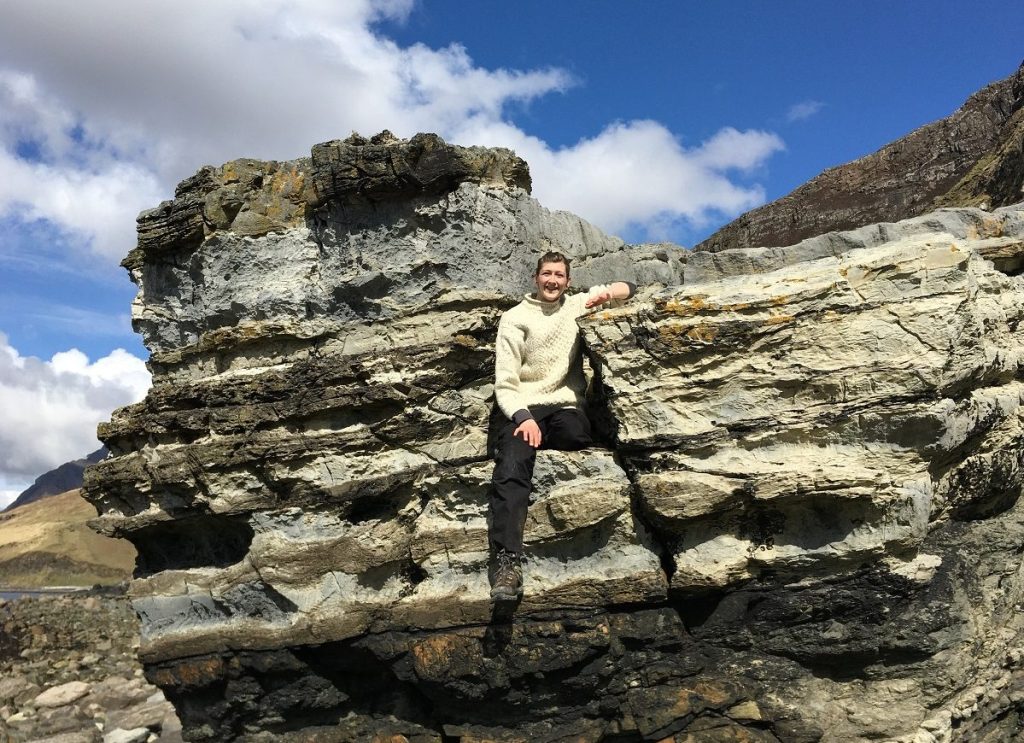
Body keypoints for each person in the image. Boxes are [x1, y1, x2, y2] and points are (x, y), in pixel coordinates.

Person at [489, 251, 636, 601]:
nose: (552, 281)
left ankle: (537, 440)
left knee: (575, 435)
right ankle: (506, 565)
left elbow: (629, 287)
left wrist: (611, 293)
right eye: (546, 274)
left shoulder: (575, 306)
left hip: (564, 406)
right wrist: (523, 418)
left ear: (568, 281)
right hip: (522, 406)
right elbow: (505, 383)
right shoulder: (514, 318)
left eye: (559, 275)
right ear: (536, 278)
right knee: (511, 466)